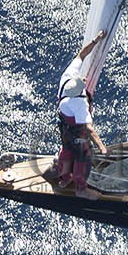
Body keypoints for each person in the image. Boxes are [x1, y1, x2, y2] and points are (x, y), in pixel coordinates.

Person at [50, 30, 107, 197]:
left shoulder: (67, 77)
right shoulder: (79, 103)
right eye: (82, 83)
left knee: (66, 151)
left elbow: (82, 55)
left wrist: (96, 40)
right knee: (83, 157)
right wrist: (101, 147)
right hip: (76, 132)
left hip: (65, 130)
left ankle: (64, 178)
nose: (84, 80)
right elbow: (89, 129)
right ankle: (81, 189)